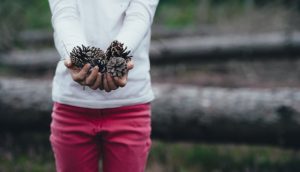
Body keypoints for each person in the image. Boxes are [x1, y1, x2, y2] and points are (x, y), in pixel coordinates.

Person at [48, 0, 159, 172]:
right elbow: (64, 13)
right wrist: (78, 58)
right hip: (72, 107)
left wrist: (116, 57)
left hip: (130, 106)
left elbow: (140, 15)